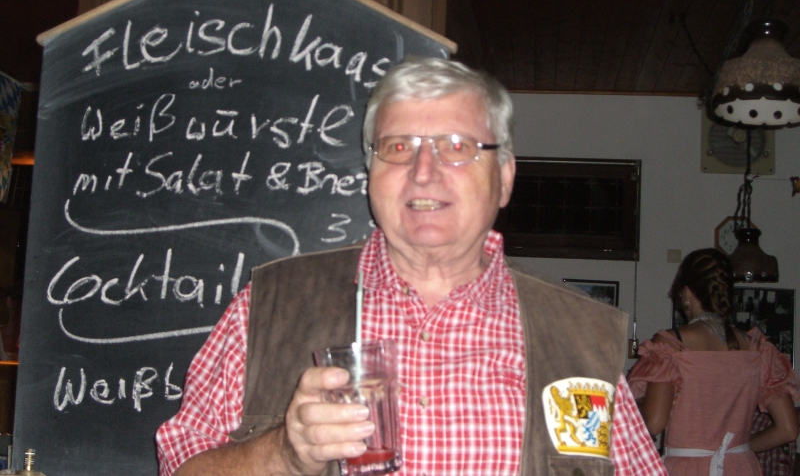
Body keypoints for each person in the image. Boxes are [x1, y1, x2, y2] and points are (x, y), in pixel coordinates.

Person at [156, 57, 667, 476]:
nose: (424, 172)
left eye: (457, 147)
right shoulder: (270, 307)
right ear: (369, 173)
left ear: (505, 177)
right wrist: (284, 455)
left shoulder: (580, 334)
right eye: (398, 147)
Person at [628, 248, 799, 476]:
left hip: (688, 469)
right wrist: (737, 448)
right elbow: (788, 430)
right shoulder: (759, 349)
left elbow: (654, 422)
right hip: (740, 466)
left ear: (687, 293)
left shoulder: (670, 345)